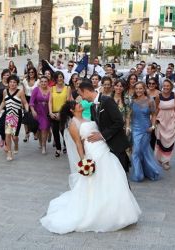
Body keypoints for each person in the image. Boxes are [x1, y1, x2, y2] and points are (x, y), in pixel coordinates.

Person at [40, 101, 141, 234]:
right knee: (96, 180)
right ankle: (98, 211)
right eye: (77, 104)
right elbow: (78, 143)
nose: (80, 104)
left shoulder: (88, 118)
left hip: (103, 148)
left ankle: (117, 210)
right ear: (72, 110)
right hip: (92, 153)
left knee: (113, 175)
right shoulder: (72, 124)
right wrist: (84, 160)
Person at [78, 80, 130, 173]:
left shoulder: (107, 100)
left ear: (86, 91)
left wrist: (101, 135)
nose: (82, 98)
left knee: (121, 177)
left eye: (81, 95)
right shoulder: (92, 107)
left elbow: (119, 122)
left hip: (117, 145)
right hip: (104, 148)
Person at [127, 82, 162, 182]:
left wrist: (153, 126)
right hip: (135, 130)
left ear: (144, 89)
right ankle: (138, 174)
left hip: (146, 129)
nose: (138, 90)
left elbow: (154, 114)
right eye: (136, 88)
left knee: (144, 151)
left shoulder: (150, 101)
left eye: (140, 88)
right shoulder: (132, 101)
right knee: (136, 151)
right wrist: (128, 126)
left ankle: (149, 172)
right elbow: (129, 115)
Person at [0, 75, 29, 161]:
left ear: (17, 83)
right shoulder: (5, 91)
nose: (12, 84)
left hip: (17, 116)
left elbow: (25, 103)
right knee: (7, 134)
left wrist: (27, 110)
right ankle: (9, 152)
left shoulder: (20, 92)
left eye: (14, 82)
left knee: (14, 137)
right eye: (11, 82)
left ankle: (16, 144)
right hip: (8, 115)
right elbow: (3, 102)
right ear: (8, 83)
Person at [155, 79, 175, 170]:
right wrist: (154, 121)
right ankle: (161, 159)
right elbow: (156, 109)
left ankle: (166, 161)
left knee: (170, 141)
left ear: (171, 87)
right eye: (164, 85)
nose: (166, 87)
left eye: (168, 86)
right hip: (161, 120)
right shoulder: (158, 96)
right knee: (160, 140)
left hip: (171, 120)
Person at [49, 71, 71, 157]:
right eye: (58, 77)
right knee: (55, 131)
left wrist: (60, 113)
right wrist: (50, 112)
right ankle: (58, 148)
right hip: (53, 113)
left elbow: (67, 101)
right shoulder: (52, 88)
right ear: (55, 79)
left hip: (63, 113)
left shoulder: (67, 88)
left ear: (63, 78)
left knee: (64, 131)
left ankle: (66, 145)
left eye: (61, 77)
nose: (59, 79)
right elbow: (50, 101)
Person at [30, 76, 50, 154]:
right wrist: (33, 110)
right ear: (40, 82)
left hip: (47, 112)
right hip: (37, 111)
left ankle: (44, 146)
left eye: (45, 81)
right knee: (39, 129)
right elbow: (31, 101)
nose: (43, 83)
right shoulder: (36, 90)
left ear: (48, 82)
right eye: (42, 81)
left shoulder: (51, 90)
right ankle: (40, 142)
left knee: (44, 129)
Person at [22, 67, 40, 142]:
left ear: (35, 73)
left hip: (35, 100)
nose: (31, 74)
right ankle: (27, 133)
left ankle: (35, 132)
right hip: (26, 99)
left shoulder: (38, 81)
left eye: (32, 72)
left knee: (35, 117)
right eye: (29, 72)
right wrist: (22, 102)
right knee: (26, 116)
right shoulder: (25, 81)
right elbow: (23, 91)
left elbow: (39, 91)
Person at [0, 69, 11, 148]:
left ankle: (7, 142)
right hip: (0, 108)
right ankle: (3, 137)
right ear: (2, 75)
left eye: (8, 75)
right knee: (0, 125)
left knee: (8, 126)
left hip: (9, 107)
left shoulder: (11, 84)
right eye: (5, 75)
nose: (6, 76)